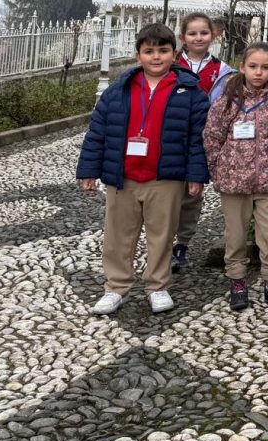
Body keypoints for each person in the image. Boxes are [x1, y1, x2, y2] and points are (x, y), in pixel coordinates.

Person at [76, 23, 209, 316]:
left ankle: (157, 285)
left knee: (162, 234)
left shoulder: (191, 93)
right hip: (123, 176)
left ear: (174, 54)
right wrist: (88, 170)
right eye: (149, 51)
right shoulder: (118, 91)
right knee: (118, 235)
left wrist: (196, 174)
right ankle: (116, 286)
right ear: (138, 55)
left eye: (163, 50)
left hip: (165, 176)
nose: (156, 57)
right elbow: (97, 132)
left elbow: (198, 138)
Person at [202, 42, 268, 311]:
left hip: (266, 181)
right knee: (235, 235)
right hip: (233, 181)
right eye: (253, 66)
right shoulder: (226, 100)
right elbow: (212, 137)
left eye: (265, 67)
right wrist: (218, 169)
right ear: (242, 67)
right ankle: (237, 281)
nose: (258, 72)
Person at [171, 13, 235, 273]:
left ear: (213, 36)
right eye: (192, 33)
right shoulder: (170, 64)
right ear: (182, 37)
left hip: (202, 139)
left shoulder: (223, 71)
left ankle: (182, 243)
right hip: (173, 137)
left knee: (192, 194)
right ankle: (162, 241)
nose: (198, 38)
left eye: (203, 33)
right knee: (168, 192)